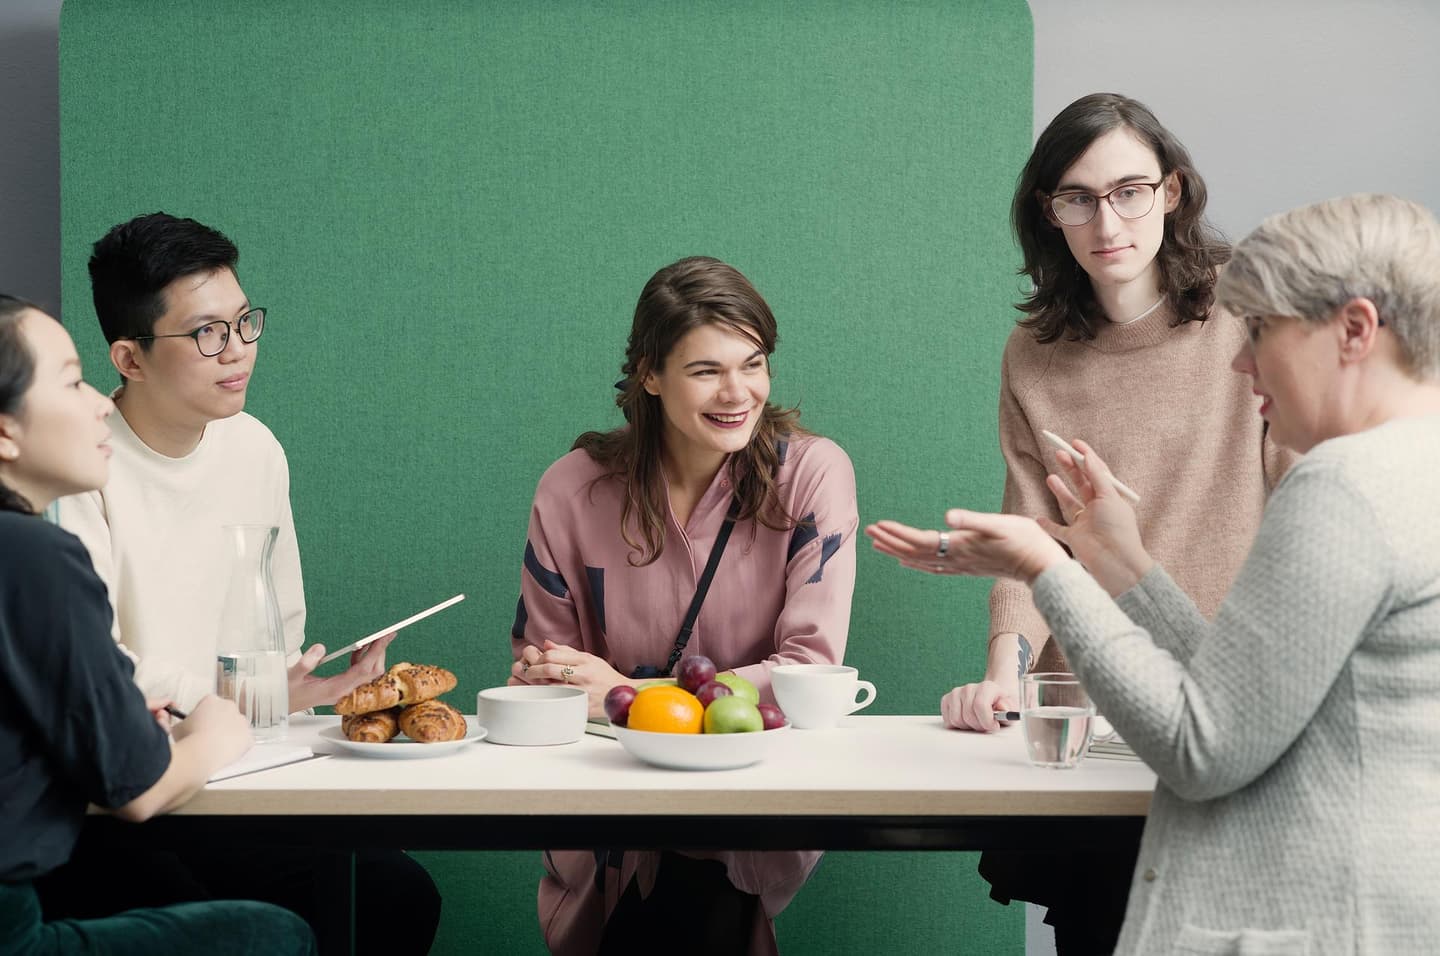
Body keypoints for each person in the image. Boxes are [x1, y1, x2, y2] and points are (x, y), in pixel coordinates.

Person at [914, 192, 1440, 953]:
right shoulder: (1414, 467)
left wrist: (1046, 569)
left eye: (1259, 330)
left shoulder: (1343, 488)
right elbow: (1245, 695)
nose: (1239, 358)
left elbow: (1201, 745)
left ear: (1355, 330)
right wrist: (1121, 563)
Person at [866, 93, 1292, 952]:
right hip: (1092, 713)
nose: (1108, 220)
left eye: (1130, 190)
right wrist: (1001, 671)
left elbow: (1297, 498)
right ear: (1047, 211)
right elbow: (1029, 526)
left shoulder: (1248, 316)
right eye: (1078, 197)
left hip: (1227, 702)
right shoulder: (1035, 353)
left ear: (1171, 192)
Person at [42, 213, 440, 954]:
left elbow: (275, 627)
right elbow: (97, 662)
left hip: (235, 770)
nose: (238, 352)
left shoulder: (255, 448)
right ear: (128, 358)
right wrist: (222, 701)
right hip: (126, 789)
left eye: (244, 322)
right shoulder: (80, 464)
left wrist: (294, 687)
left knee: (394, 894)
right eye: (206, 334)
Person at [509, 256, 858, 955]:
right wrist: (560, 684)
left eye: (753, 364)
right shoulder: (571, 488)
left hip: (748, 796)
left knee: (697, 898)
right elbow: (543, 669)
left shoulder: (814, 474)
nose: (739, 392)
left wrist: (628, 695)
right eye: (706, 371)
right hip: (609, 797)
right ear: (649, 374)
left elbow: (807, 671)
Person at [0, 294, 316, 956]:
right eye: (71, 381)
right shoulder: (35, 555)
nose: (97, 404)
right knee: (274, 936)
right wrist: (216, 729)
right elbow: (138, 787)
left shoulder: (255, 449)